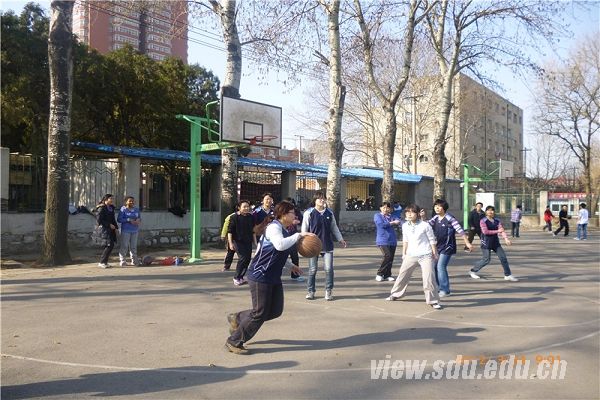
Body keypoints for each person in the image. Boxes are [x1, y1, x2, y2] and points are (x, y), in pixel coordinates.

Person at [225, 201, 312, 354]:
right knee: (260, 313)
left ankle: (237, 318)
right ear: (283, 215)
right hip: (260, 275)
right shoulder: (273, 228)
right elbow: (279, 245)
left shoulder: (284, 230)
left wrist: (291, 265)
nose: (295, 215)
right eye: (292, 212)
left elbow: (277, 252)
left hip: (272, 275)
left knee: (275, 310)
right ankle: (234, 341)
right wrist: (298, 235)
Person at [386, 204, 442, 309]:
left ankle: (433, 300)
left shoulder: (425, 225)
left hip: (426, 254)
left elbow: (432, 240)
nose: (409, 214)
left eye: (412, 212)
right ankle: (396, 294)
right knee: (403, 275)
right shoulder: (405, 225)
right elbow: (405, 240)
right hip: (411, 254)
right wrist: (404, 253)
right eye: (407, 212)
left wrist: (435, 253)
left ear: (417, 214)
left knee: (429, 278)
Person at [302, 191, 347, 301]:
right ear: (315, 200)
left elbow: (334, 227)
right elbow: (304, 229)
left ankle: (328, 290)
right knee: (312, 269)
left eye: (323, 198)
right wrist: (303, 241)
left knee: (328, 269)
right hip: (313, 245)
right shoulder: (309, 213)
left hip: (327, 245)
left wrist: (340, 239)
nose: (322, 200)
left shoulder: (329, 213)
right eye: (320, 198)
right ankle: (311, 291)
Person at [426, 199, 473, 297]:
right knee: (435, 267)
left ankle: (445, 290)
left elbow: (460, 230)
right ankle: (439, 287)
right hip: (438, 246)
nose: (437, 208)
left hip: (448, 246)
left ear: (444, 208)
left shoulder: (450, 218)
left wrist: (467, 243)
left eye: (439, 206)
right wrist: (421, 217)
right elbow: (426, 226)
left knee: (440, 266)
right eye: (435, 206)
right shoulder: (435, 218)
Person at [469, 206, 518, 281]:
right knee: (486, 260)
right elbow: (485, 232)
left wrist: (506, 239)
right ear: (486, 212)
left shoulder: (497, 220)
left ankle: (508, 275)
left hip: (495, 243)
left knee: (503, 258)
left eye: (492, 210)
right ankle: (473, 271)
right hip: (486, 242)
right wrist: (497, 231)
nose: (490, 212)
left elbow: (501, 230)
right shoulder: (483, 221)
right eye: (488, 210)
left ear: (494, 212)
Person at [228, 200, 257, 286]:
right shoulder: (234, 217)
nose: (246, 208)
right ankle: (236, 277)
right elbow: (230, 232)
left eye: (248, 206)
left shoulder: (250, 217)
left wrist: (255, 242)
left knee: (247, 259)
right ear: (239, 207)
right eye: (244, 207)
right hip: (237, 241)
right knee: (242, 258)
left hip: (247, 241)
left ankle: (241, 277)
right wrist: (230, 243)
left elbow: (253, 231)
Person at [374, 202, 402, 282]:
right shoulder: (377, 216)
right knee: (387, 255)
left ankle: (387, 275)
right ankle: (379, 273)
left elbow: (398, 220)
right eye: (384, 207)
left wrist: (397, 221)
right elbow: (381, 225)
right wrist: (392, 223)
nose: (385, 209)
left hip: (392, 240)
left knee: (391, 258)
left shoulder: (392, 216)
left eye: (387, 208)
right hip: (382, 240)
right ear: (380, 208)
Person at [117, 196, 141, 266]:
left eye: (132, 201)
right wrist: (128, 220)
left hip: (135, 230)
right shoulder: (123, 209)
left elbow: (139, 218)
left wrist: (138, 220)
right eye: (130, 201)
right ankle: (122, 260)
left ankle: (134, 260)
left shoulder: (136, 209)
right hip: (126, 230)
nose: (131, 202)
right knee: (124, 246)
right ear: (126, 202)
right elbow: (119, 219)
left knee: (133, 246)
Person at [95, 194, 118, 269]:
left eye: (112, 198)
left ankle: (105, 262)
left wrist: (116, 227)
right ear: (105, 199)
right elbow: (99, 220)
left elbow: (113, 219)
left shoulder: (111, 208)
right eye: (110, 198)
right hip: (105, 230)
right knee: (109, 245)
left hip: (111, 229)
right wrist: (109, 224)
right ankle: (102, 262)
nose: (112, 200)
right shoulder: (101, 208)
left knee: (110, 245)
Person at [285, 197, 305, 282]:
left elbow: (301, 219)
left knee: (295, 257)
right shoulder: (282, 213)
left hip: (293, 238)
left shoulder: (296, 211)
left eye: (292, 203)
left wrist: (297, 221)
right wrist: (290, 222)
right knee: (280, 257)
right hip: (284, 238)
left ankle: (295, 275)